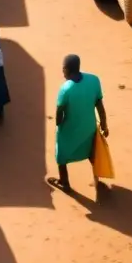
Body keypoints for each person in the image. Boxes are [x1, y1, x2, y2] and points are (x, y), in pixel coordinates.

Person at [48, 54, 108, 194]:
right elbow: (99, 105)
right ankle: (97, 180)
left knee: (61, 154)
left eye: (63, 69)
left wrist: (59, 125)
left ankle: (64, 182)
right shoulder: (94, 80)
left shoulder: (65, 89)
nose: (62, 72)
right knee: (92, 153)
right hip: (89, 128)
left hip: (70, 129)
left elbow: (59, 114)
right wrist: (104, 124)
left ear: (67, 70)